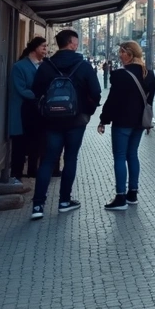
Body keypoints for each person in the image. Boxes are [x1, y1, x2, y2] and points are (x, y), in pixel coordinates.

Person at [30, 29, 102, 220]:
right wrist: (87, 110)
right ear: (72, 43)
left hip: (51, 121)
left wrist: (44, 110)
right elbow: (96, 92)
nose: (77, 45)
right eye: (76, 42)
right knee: (70, 159)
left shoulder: (46, 66)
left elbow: (36, 91)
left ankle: (38, 206)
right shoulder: (84, 66)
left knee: (47, 160)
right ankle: (64, 201)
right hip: (76, 121)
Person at [97, 40, 155, 210]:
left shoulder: (119, 75)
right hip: (139, 122)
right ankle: (133, 194)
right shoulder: (149, 75)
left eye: (122, 52)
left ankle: (120, 197)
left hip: (122, 122)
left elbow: (112, 101)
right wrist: (147, 121)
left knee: (120, 157)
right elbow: (149, 102)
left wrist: (103, 119)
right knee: (132, 155)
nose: (119, 55)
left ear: (129, 54)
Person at [9, 37, 47, 179]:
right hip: (22, 110)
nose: (46, 49)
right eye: (43, 46)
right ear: (35, 48)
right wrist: (41, 96)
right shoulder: (19, 66)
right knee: (20, 143)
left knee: (35, 142)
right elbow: (21, 89)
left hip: (36, 111)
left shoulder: (42, 65)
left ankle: (32, 170)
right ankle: (16, 174)